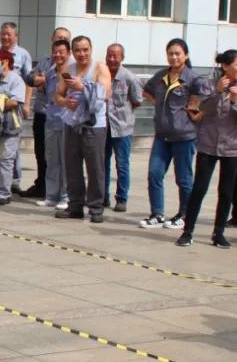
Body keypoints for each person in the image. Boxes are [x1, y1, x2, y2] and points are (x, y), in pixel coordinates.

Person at [140, 39, 207, 229]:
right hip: (162, 135)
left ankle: (184, 215)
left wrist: (194, 112)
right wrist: (159, 105)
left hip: (184, 136)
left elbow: (205, 100)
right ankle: (157, 214)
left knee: (183, 178)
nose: (174, 57)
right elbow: (146, 91)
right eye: (170, 53)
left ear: (186, 55)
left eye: (178, 53)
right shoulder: (161, 75)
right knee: (154, 173)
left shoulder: (193, 79)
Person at [177, 50, 237, 248]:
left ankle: (218, 233)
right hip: (208, 144)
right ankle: (187, 231)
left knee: (226, 191)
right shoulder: (209, 85)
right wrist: (218, 92)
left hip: (232, 147)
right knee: (199, 188)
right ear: (225, 66)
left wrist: (235, 102)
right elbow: (203, 109)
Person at [54, 36, 112, 223]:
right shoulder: (68, 69)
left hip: (93, 126)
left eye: (85, 49)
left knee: (95, 167)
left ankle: (96, 207)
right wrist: (65, 102)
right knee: (72, 166)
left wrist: (83, 87)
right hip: (72, 123)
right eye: (78, 50)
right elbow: (58, 95)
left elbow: (105, 94)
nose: (82, 54)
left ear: (91, 49)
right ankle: (75, 205)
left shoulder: (100, 68)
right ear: (72, 52)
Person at [23, 27, 71, 198]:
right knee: (43, 154)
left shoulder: (72, 65)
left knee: (62, 157)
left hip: (63, 117)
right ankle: (44, 187)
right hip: (43, 113)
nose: (61, 40)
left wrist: (43, 80)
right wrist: (44, 79)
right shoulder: (45, 62)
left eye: (65, 38)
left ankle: (64, 193)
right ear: (52, 39)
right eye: (58, 37)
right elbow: (30, 78)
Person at [0, 22, 33, 194]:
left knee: (9, 153)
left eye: (8, 34)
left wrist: (26, 103)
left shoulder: (23, 55)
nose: (5, 37)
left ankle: (12, 183)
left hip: (11, 113)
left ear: (16, 36)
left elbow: (29, 81)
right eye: (2, 34)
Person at [104, 43, 143, 213]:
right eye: (109, 55)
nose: (112, 59)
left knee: (122, 165)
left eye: (116, 56)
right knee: (102, 164)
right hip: (103, 127)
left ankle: (121, 198)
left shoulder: (129, 78)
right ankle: (102, 196)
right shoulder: (102, 74)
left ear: (122, 58)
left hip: (122, 129)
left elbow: (138, 101)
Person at [0, 49, 25, 205]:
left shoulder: (16, 80)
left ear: (5, 61)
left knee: (5, 160)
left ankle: (4, 193)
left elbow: (15, 101)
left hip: (9, 125)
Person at [34, 39, 71, 210]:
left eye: (61, 52)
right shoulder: (49, 73)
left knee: (65, 161)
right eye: (55, 52)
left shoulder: (70, 73)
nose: (58, 55)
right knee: (51, 159)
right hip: (50, 121)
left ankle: (65, 196)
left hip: (66, 122)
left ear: (68, 53)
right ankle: (51, 195)